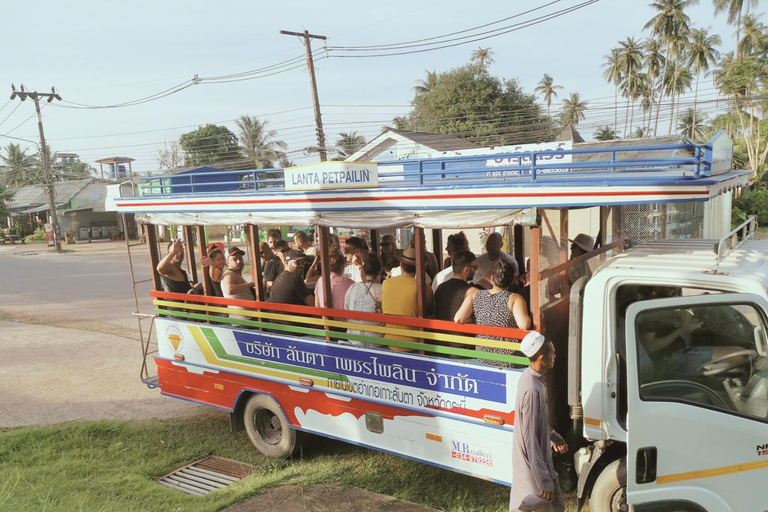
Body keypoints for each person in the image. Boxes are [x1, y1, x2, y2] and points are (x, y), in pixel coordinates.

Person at [510, 332, 568, 512]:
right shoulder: (532, 388)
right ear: (542, 359)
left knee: (557, 507)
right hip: (533, 470)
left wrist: (554, 437)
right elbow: (530, 440)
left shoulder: (533, 378)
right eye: (552, 353)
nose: (555, 356)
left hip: (539, 465)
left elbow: (538, 423)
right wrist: (543, 479)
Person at [455, 260, 531, 367]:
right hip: (509, 360)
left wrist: (478, 319)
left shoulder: (475, 295)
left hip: (483, 357)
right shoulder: (514, 298)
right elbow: (524, 324)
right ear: (511, 281)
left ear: (491, 278)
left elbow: (458, 318)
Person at [382, 243, 435, 352]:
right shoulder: (424, 287)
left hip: (390, 340)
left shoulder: (386, 283)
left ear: (401, 264)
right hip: (414, 343)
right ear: (419, 268)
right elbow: (430, 310)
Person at [344, 252, 385, 348]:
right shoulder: (382, 290)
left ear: (364, 270)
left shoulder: (353, 287)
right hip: (376, 342)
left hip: (353, 338)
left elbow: (346, 311)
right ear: (380, 271)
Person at [434, 250, 478, 322]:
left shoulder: (440, 287)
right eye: (475, 267)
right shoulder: (471, 291)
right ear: (466, 270)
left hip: (439, 332)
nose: (475, 270)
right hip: (460, 332)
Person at [221, 246, 256, 320]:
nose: (239, 261)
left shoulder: (235, 274)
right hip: (244, 320)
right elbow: (230, 290)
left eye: (240, 258)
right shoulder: (229, 274)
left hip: (247, 317)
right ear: (227, 262)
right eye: (234, 259)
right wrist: (250, 284)